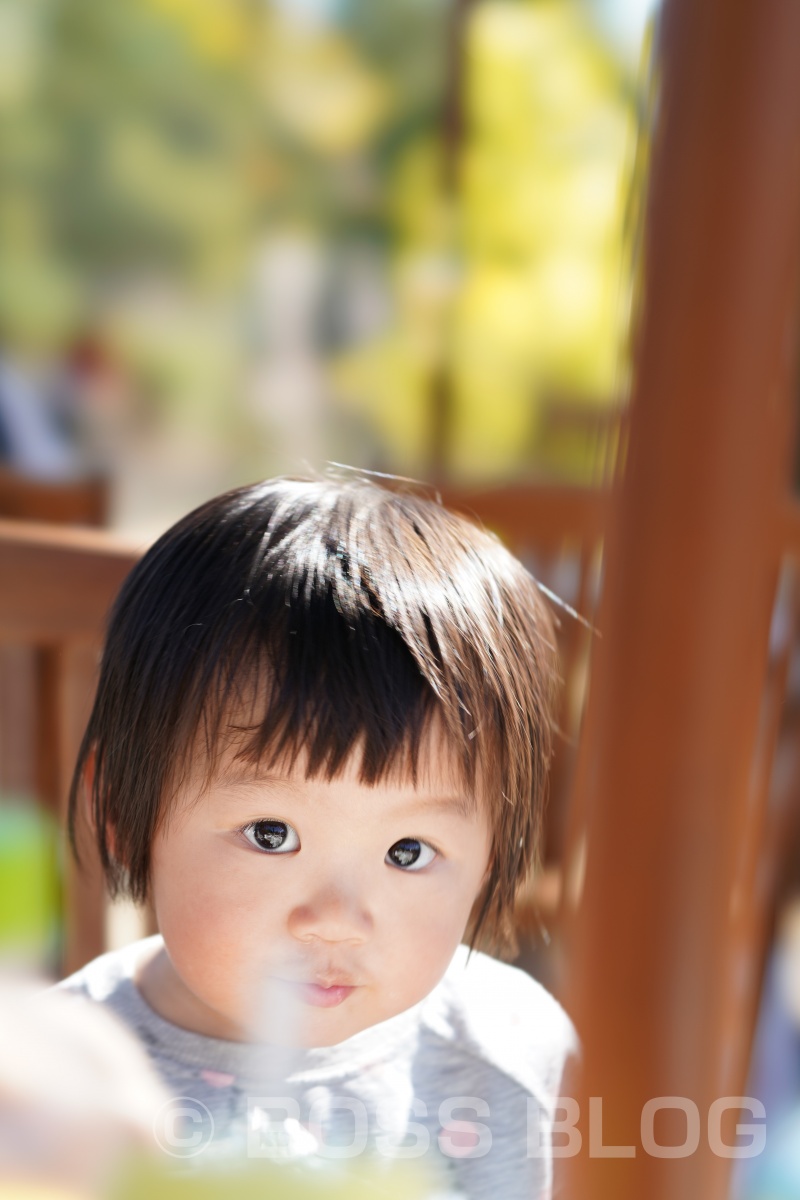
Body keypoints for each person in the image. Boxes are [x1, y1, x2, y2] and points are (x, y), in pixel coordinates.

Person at [55, 474, 577, 1198]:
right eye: (271, 834)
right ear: (121, 815)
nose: (336, 920)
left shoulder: (510, 1053)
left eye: (408, 852)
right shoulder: (57, 1083)